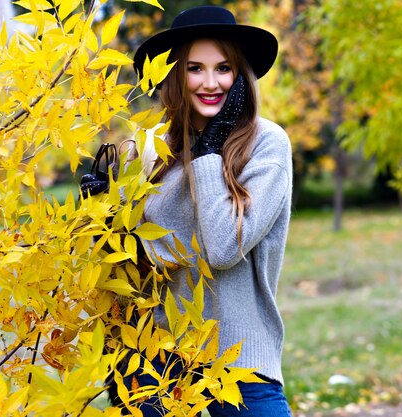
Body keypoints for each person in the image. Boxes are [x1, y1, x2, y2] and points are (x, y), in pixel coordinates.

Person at [102, 5, 293, 417]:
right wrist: (99, 220)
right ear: (174, 75)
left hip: (238, 354)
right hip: (153, 356)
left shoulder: (266, 144)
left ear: (240, 75)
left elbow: (224, 248)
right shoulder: (146, 148)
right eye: (195, 69)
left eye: (223, 68)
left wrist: (209, 150)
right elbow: (127, 265)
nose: (211, 83)